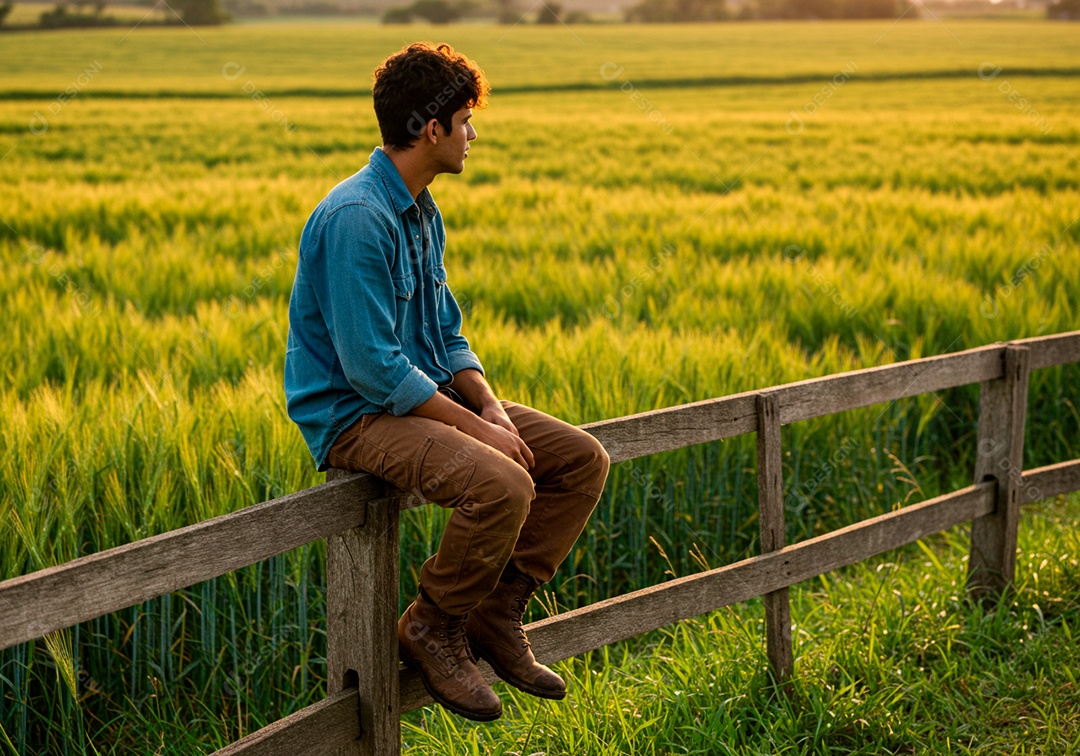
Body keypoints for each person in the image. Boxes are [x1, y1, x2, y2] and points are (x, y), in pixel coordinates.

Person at [283, 42, 610, 722]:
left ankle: (497, 610)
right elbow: (373, 369)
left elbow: (447, 336)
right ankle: (433, 624)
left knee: (581, 460)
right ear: (431, 129)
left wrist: (490, 406)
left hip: (429, 397)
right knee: (503, 481)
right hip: (358, 417)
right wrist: (476, 429)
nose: (473, 134)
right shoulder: (358, 217)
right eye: (465, 120)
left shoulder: (420, 210)